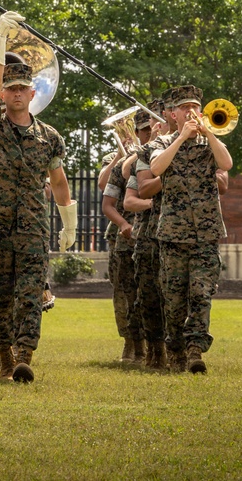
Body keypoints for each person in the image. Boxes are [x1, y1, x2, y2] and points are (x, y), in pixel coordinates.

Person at [0, 11, 77, 383]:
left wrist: (69, 224)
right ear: (4, 94)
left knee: (31, 294)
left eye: (22, 89)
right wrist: (1, 36)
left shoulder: (49, 136)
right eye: (11, 88)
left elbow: (59, 181)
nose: (16, 93)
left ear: (33, 94)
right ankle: (4, 358)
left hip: (33, 227)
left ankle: (24, 356)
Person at [149, 84, 233, 374]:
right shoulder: (162, 143)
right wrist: (181, 137)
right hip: (173, 234)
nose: (191, 112)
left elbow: (226, 163)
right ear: (173, 114)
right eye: (185, 108)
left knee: (201, 293)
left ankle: (195, 350)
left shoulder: (210, 143)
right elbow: (156, 169)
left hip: (206, 234)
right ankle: (175, 351)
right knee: (174, 300)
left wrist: (209, 134)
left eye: (195, 107)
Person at [101, 108, 151, 363]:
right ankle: (131, 343)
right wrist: (123, 155)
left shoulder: (161, 155)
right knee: (124, 294)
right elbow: (104, 189)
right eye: (143, 130)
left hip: (152, 234)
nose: (148, 133)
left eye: (151, 129)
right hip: (124, 237)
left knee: (150, 292)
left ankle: (153, 346)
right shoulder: (118, 159)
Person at [132, 95, 172, 370]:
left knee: (178, 294)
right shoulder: (147, 152)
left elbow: (222, 182)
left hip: (181, 233)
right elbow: (140, 189)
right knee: (149, 294)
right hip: (149, 233)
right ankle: (155, 349)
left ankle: (179, 350)